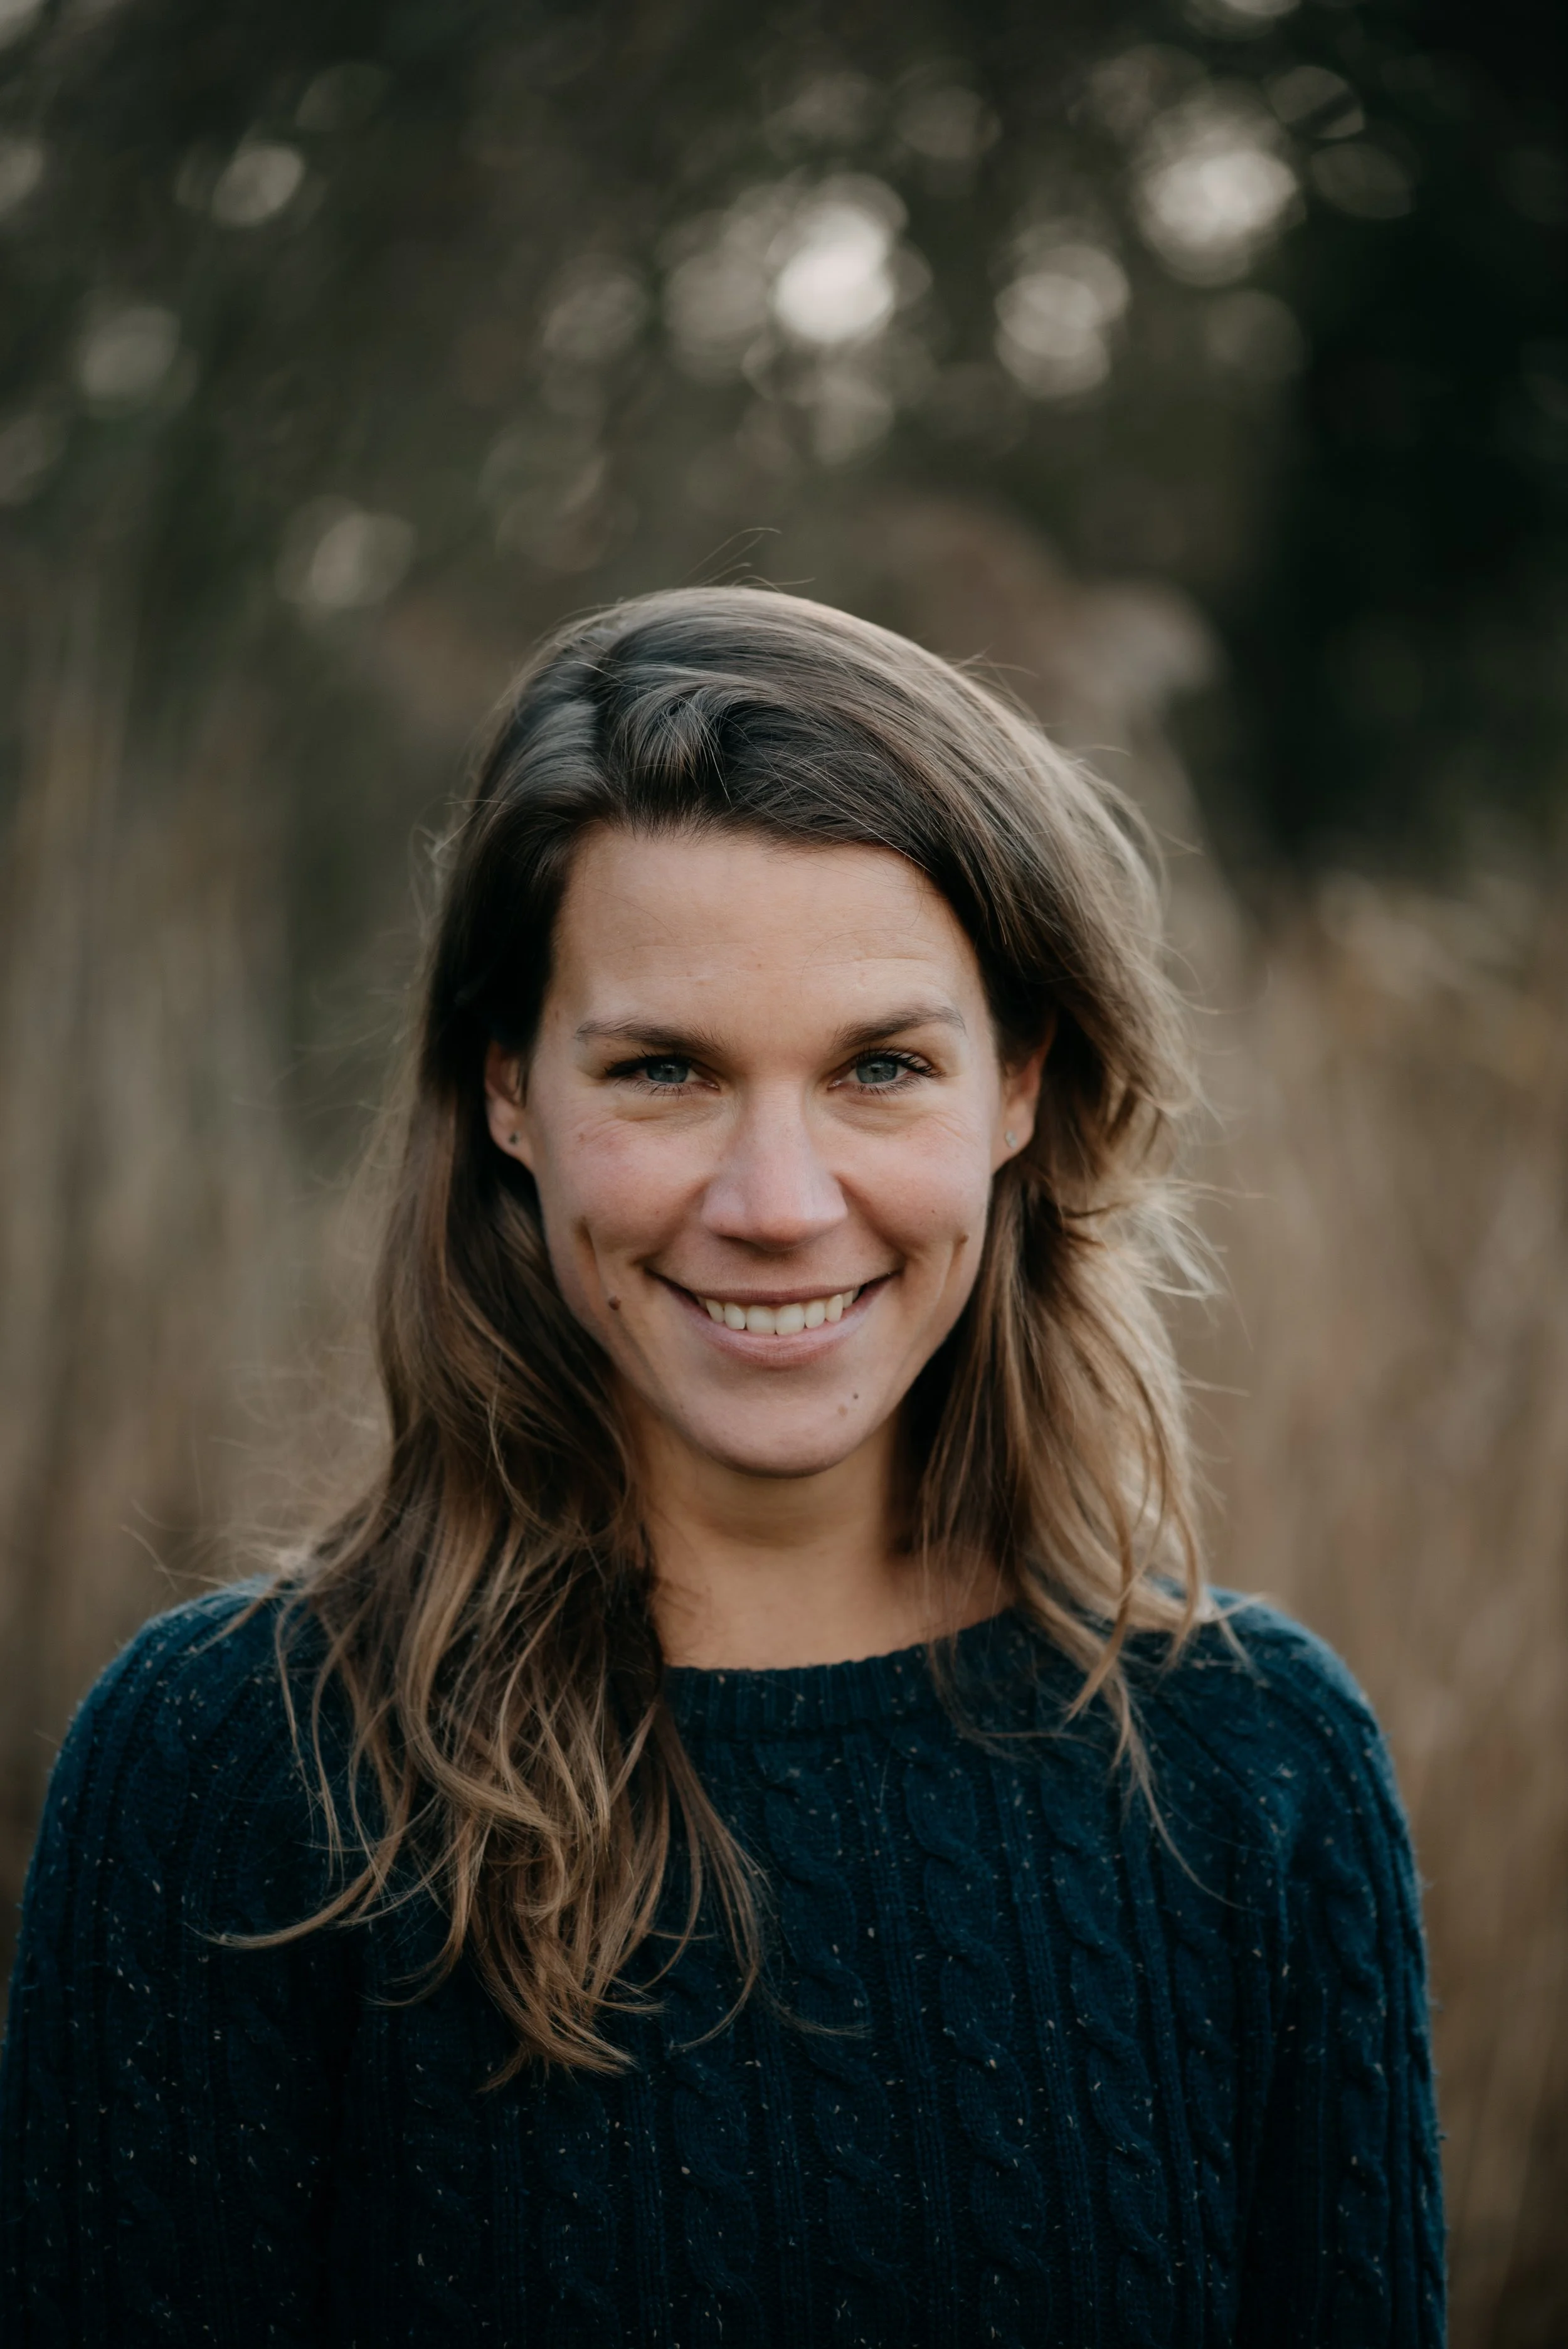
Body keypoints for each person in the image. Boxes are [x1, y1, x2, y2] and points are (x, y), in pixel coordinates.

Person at [0, 587, 1443, 2346]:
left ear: (1016, 1090)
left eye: (881, 1069)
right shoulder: (230, 1775)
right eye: (667, 1069)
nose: (774, 1206)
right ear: (511, 1094)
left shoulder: (1257, 1773)